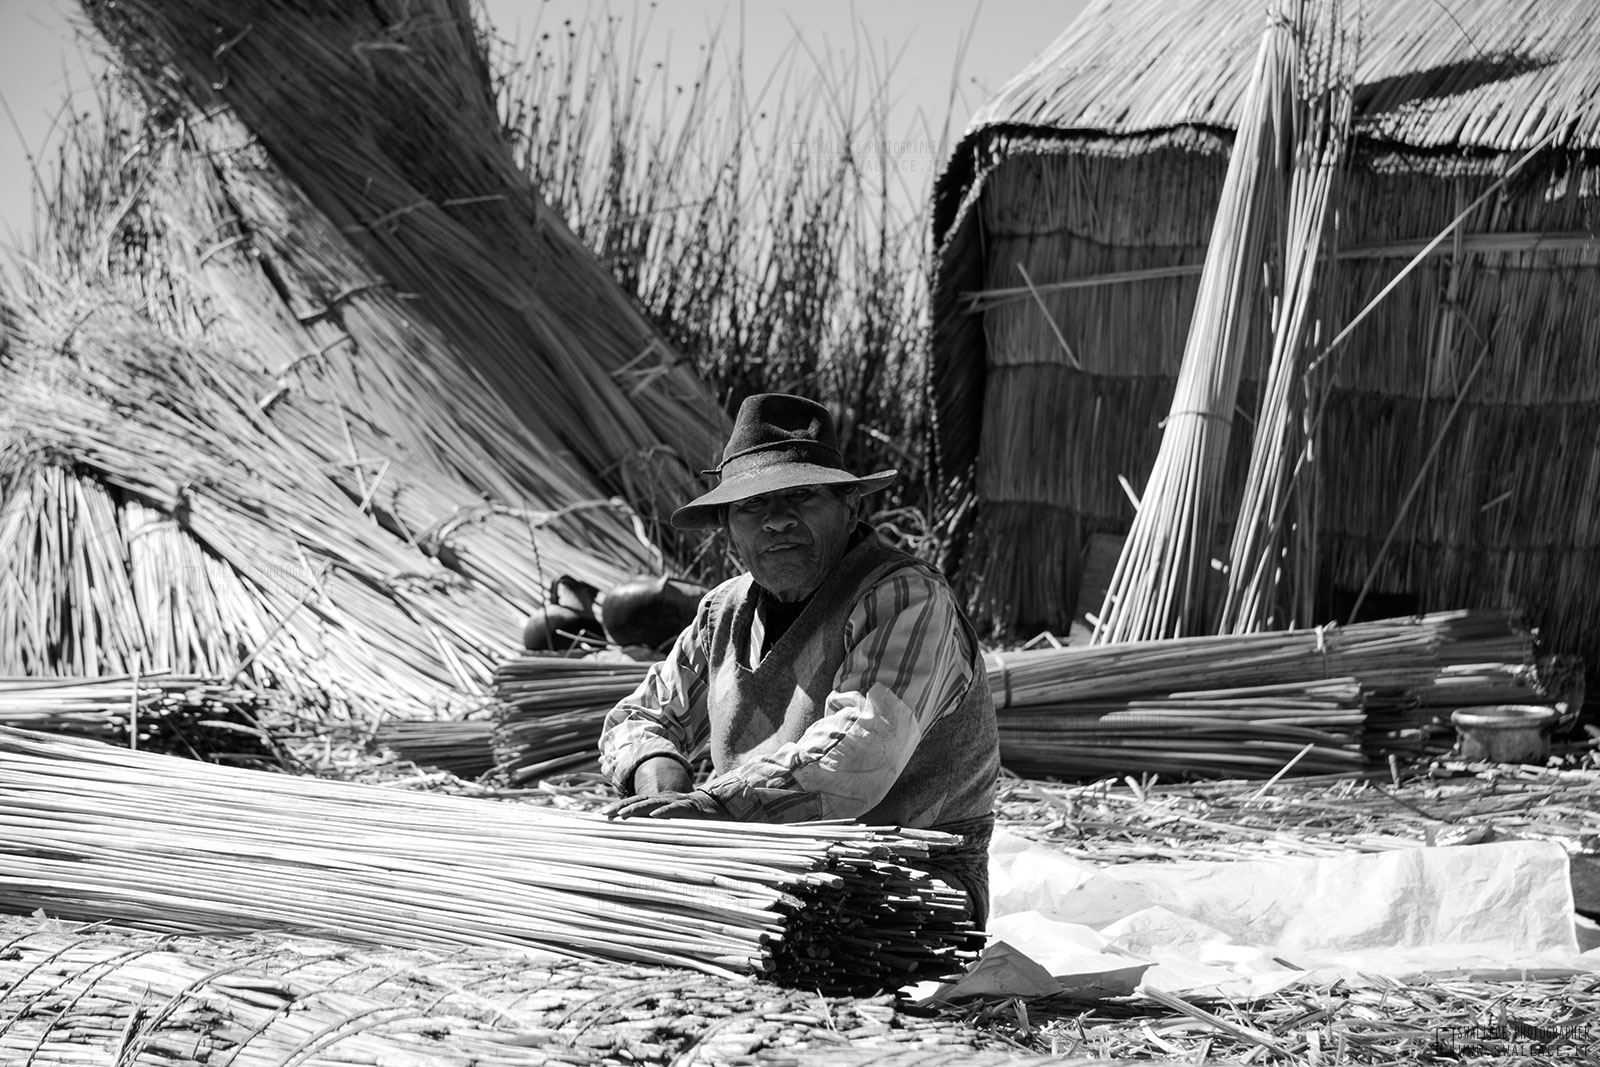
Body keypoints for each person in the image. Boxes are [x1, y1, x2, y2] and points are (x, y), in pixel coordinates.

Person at [599, 393, 1000, 925]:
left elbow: (858, 755)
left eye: (801, 496)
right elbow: (637, 718)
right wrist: (659, 787)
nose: (777, 521)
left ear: (849, 507)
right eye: (752, 505)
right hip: (760, 872)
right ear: (727, 524)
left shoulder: (903, 597)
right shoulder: (725, 612)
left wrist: (713, 808)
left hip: (907, 886)